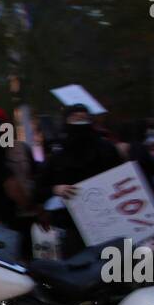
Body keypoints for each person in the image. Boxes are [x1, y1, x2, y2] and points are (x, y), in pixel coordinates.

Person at [35, 103, 122, 256]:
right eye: (75, 118)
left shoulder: (106, 150)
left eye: (84, 118)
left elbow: (121, 177)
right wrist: (56, 189)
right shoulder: (58, 155)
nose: (80, 122)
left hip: (108, 221)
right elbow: (38, 189)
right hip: (71, 224)